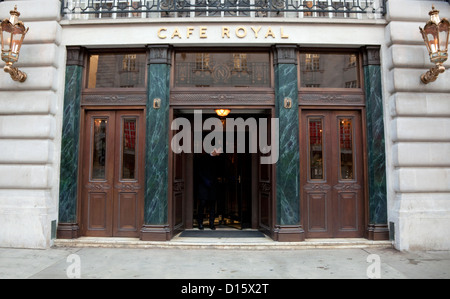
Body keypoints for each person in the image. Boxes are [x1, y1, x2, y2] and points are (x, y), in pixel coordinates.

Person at [196, 147, 222, 230]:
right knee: (202, 203)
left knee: (212, 205)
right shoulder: (203, 158)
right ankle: (200, 223)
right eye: (219, 150)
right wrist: (205, 180)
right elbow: (199, 171)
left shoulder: (219, 160)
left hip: (213, 185)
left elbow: (221, 171)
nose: (221, 152)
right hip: (203, 185)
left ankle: (212, 224)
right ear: (214, 149)